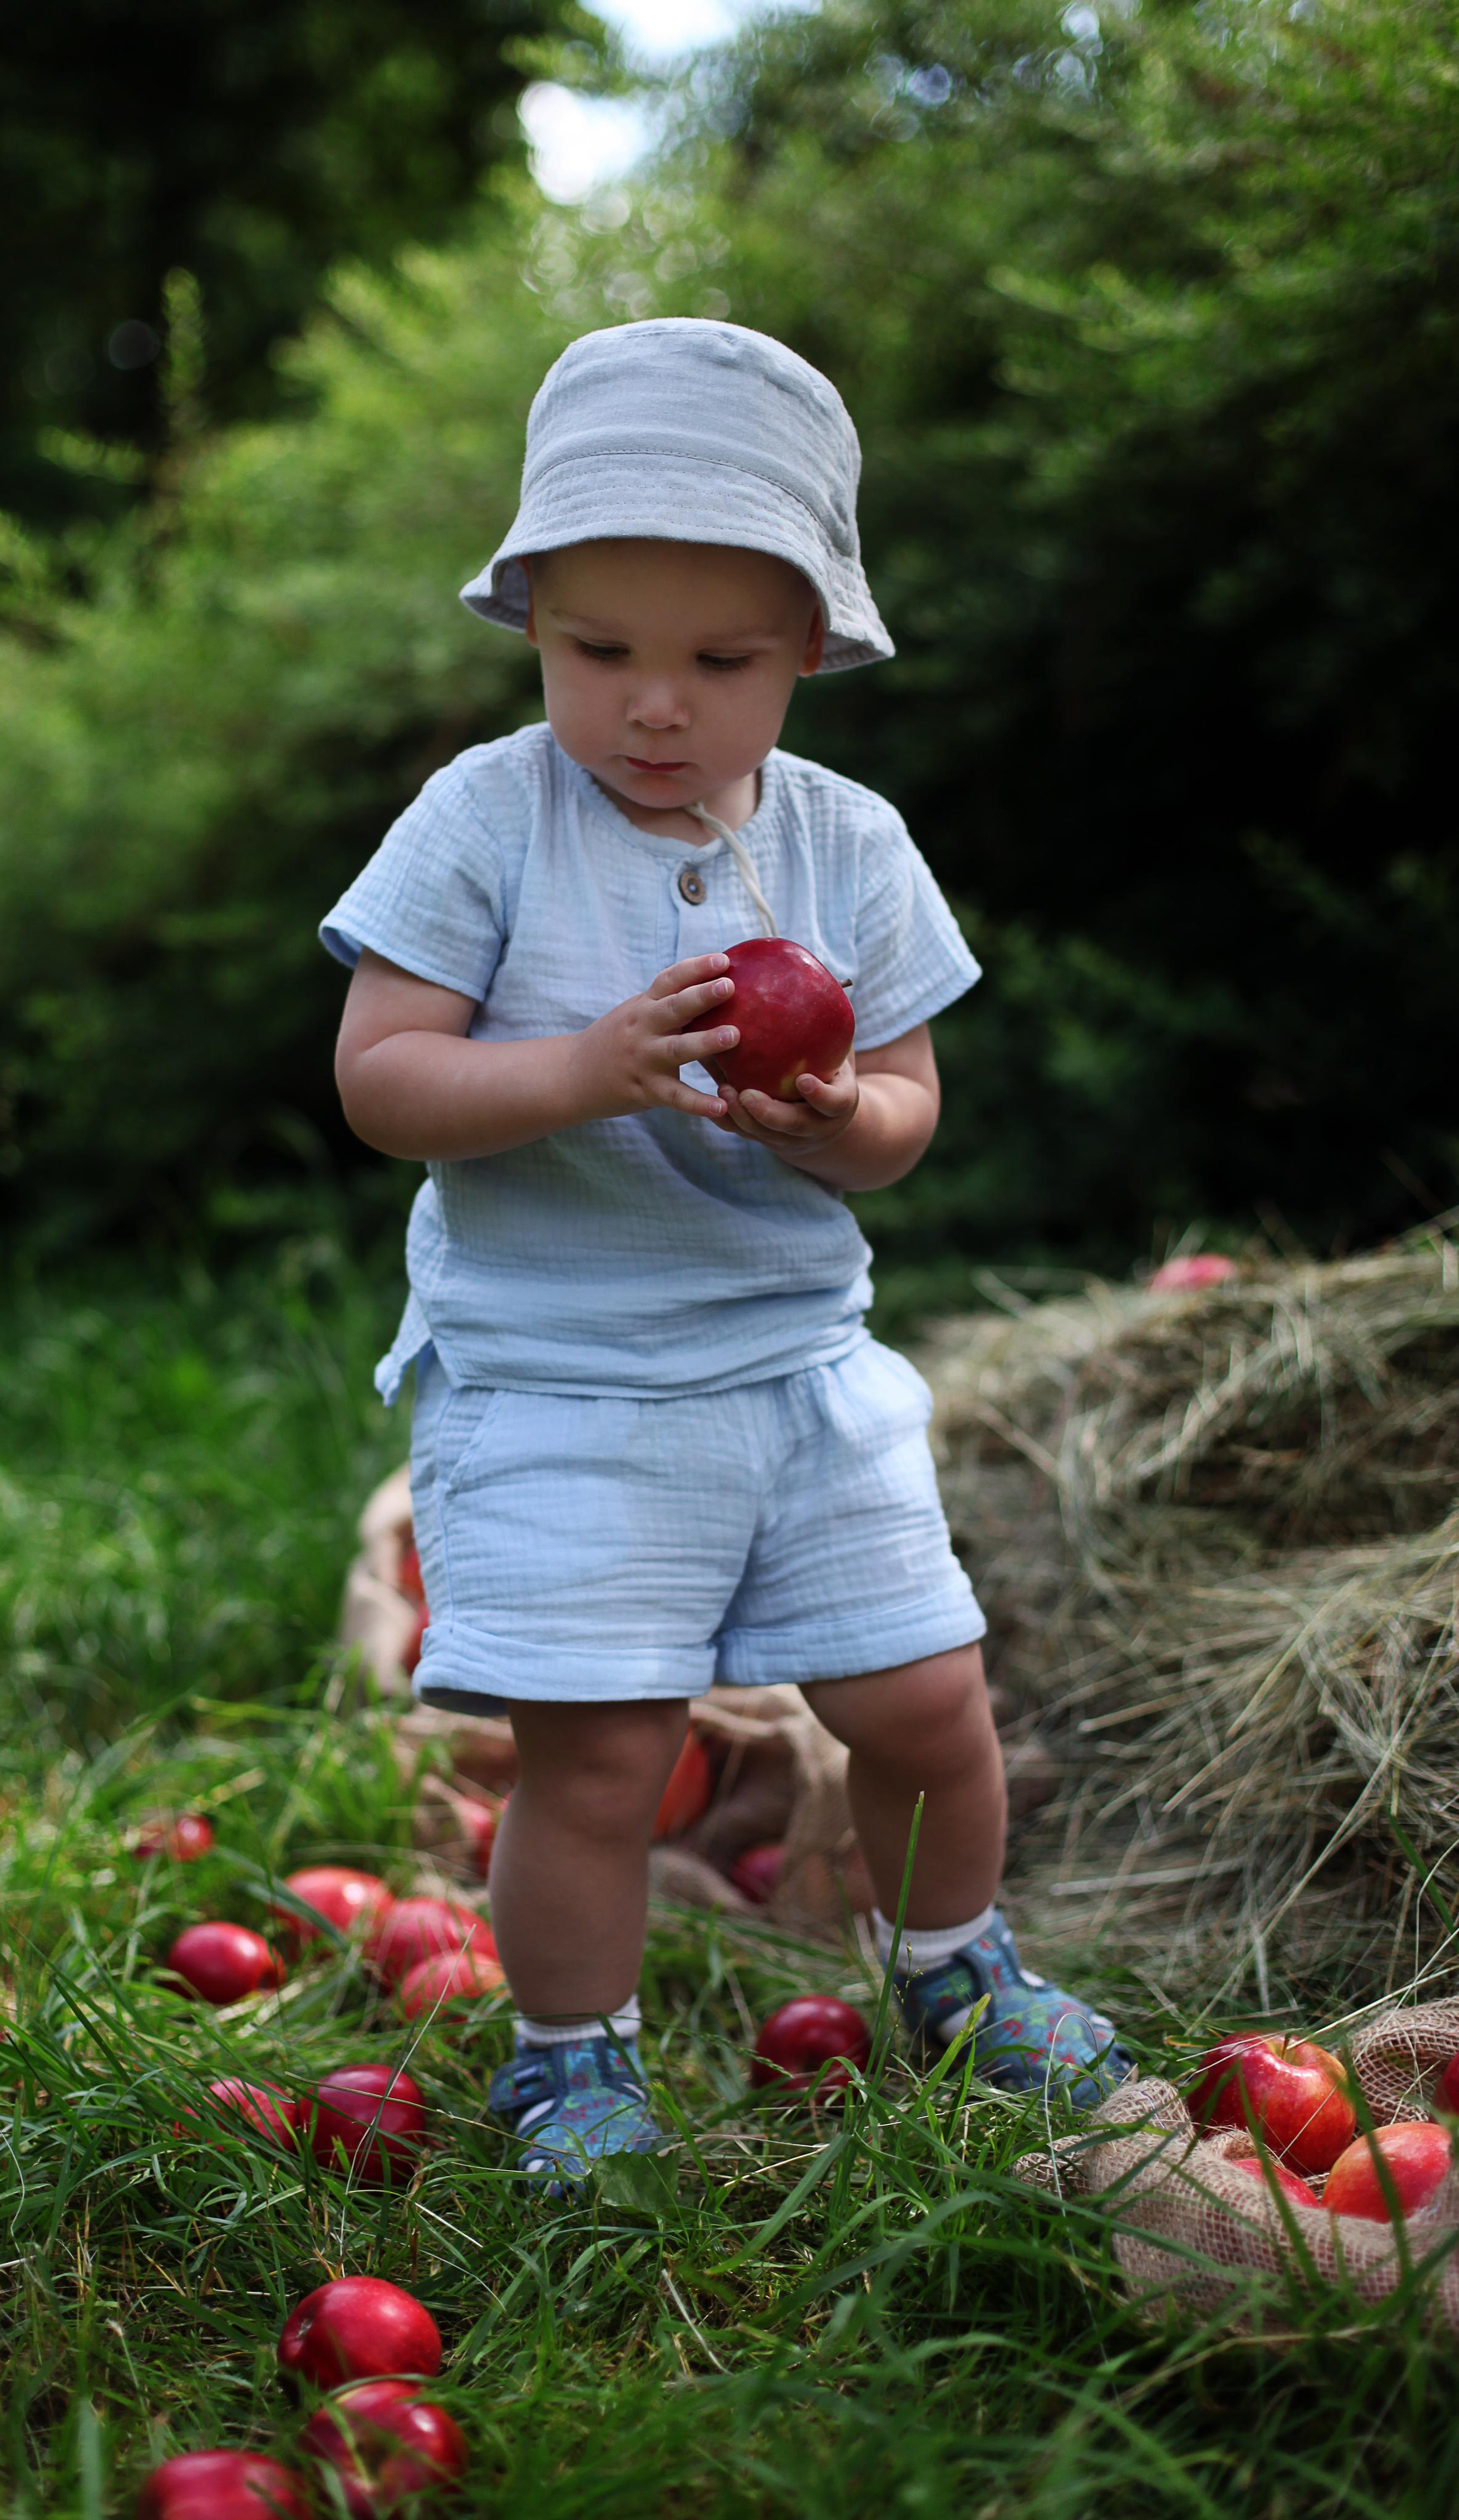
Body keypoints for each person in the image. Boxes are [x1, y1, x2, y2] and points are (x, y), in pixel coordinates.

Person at [322, 318, 1129, 2185]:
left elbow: (912, 1107)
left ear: (814, 652)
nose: (655, 706)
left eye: (720, 660)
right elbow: (383, 1078)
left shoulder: (849, 846)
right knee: (598, 1760)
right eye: (599, 652)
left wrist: (840, 1120)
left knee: (929, 1704)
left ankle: (955, 1965)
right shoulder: (488, 818)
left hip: (795, 1372)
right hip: (561, 1383)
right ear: (533, 623)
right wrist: (586, 1069)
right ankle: (571, 2060)